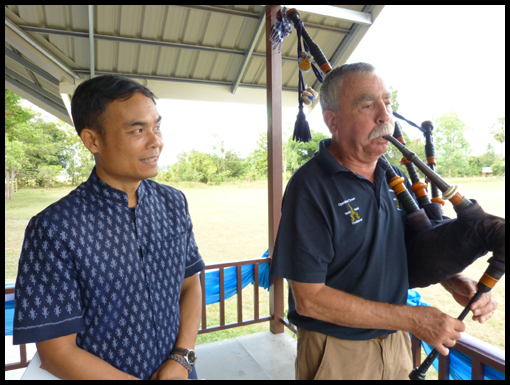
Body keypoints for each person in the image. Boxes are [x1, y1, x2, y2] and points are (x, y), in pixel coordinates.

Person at [269, 63, 497, 380]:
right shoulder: (310, 187)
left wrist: (453, 279)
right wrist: (413, 319)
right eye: (367, 105)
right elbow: (310, 300)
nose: (384, 117)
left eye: (387, 104)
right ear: (332, 120)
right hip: (337, 352)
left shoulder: (395, 178)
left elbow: (410, 248)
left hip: (395, 342)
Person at [13, 75, 205, 380]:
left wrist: (182, 359)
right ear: (93, 140)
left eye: (156, 126)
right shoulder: (54, 229)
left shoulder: (173, 203)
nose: (155, 141)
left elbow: (190, 285)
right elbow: (55, 352)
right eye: (138, 130)